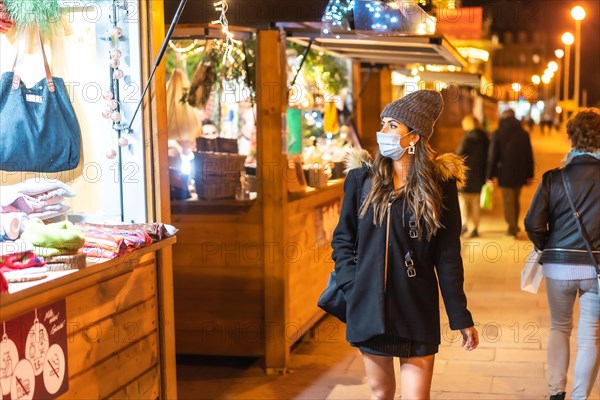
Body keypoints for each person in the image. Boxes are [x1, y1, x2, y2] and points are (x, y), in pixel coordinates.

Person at [331, 90, 479, 400]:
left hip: (416, 306)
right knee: (381, 393)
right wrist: (351, 284)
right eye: (383, 124)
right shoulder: (362, 180)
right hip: (370, 307)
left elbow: (448, 255)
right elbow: (343, 239)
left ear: (414, 135)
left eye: (392, 126)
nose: (382, 132)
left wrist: (460, 316)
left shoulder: (440, 185)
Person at [524, 108, 600, 400]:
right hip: (596, 269)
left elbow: (532, 222)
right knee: (590, 335)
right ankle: (581, 396)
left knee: (559, 327)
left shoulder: (554, 178)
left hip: (559, 268)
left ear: (570, 138)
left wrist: (547, 245)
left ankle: (556, 392)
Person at [486, 108, 534, 237]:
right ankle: (514, 224)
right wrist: (530, 174)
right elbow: (529, 155)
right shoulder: (524, 133)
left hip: (505, 171)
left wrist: (489, 174)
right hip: (520, 172)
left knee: (508, 200)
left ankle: (512, 227)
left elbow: (492, 156)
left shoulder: (498, 133)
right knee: (515, 199)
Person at [457, 114, 489, 238]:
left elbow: (459, 154)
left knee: (463, 201)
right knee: (476, 202)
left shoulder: (467, 138)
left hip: (466, 174)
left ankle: (464, 224)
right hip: (480, 174)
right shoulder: (485, 138)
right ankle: (475, 228)